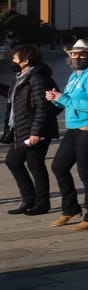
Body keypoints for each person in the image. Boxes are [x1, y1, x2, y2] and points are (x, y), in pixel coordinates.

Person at [48, 39, 88, 230]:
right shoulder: (74, 76)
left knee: (86, 172)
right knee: (59, 166)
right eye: (74, 55)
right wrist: (54, 99)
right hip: (74, 129)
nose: (76, 58)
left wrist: (63, 99)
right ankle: (70, 209)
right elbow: (66, 101)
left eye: (81, 55)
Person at [5, 44, 59, 216]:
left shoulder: (37, 78)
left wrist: (36, 132)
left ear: (25, 61)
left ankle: (42, 204)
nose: (12, 61)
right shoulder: (22, 77)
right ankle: (28, 199)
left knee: (35, 164)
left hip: (35, 130)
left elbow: (43, 107)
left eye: (14, 58)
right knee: (13, 161)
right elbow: (16, 95)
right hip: (21, 128)